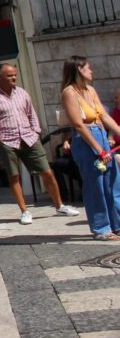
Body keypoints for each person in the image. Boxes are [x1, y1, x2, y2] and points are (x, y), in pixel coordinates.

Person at [0, 63, 80, 224]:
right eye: (9, 75)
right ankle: (25, 211)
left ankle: (60, 205)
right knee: (14, 176)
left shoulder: (22, 93)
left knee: (47, 171)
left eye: (15, 74)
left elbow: (31, 114)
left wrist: (36, 132)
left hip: (29, 138)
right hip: (8, 142)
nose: (13, 77)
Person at [59, 56, 120, 240]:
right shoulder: (69, 93)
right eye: (88, 68)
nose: (91, 71)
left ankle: (116, 225)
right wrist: (99, 150)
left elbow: (105, 117)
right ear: (79, 70)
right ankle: (101, 229)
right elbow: (78, 124)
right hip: (86, 139)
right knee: (96, 186)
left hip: (100, 133)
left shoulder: (90, 90)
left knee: (112, 182)